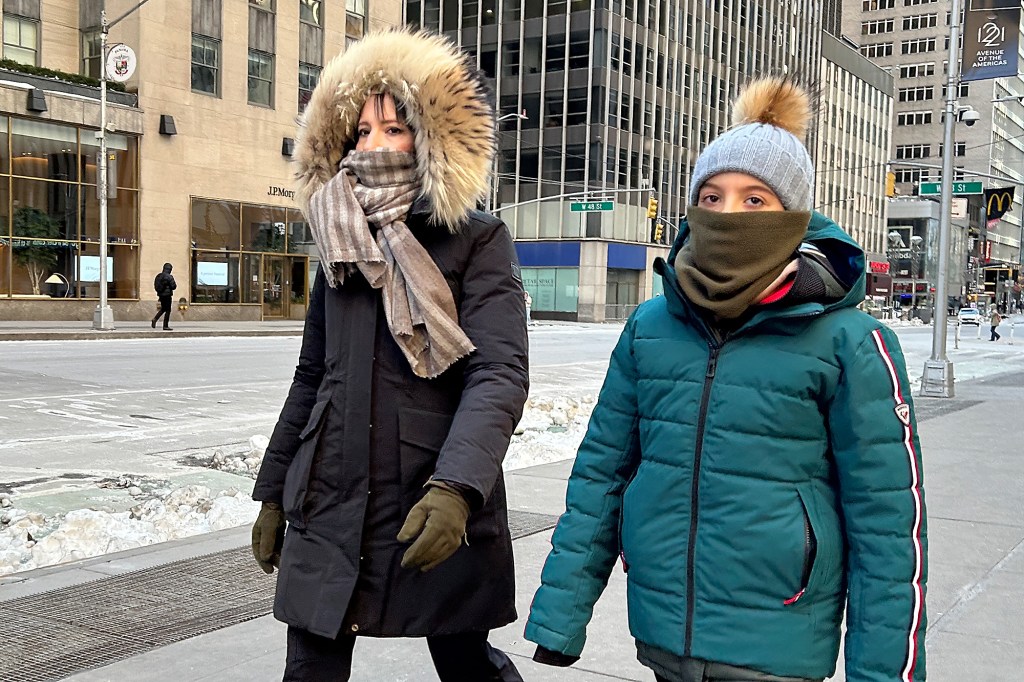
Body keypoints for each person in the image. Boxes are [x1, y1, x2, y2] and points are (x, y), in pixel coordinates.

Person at [525, 77, 927, 682]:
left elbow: (890, 531)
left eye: (754, 200)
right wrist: (561, 612)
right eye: (711, 197)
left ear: (793, 214)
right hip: (663, 637)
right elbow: (601, 474)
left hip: (779, 646)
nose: (728, 214)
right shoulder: (651, 326)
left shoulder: (852, 342)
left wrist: (885, 673)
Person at [250, 29, 529, 682]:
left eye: (395, 128)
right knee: (309, 665)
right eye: (362, 130)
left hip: (427, 492)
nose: (374, 145)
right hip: (330, 496)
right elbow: (313, 376)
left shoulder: (477, 239)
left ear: (431, 137)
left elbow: (497, 373)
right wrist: (273, 490)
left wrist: (458, 489)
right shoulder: (337, 237)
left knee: (465, 661)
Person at [151, 262, 176, 330]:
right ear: (170, 269)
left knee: (163, 308)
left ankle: (155, 319)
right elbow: (174, 286)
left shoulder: (158, 276)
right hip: (167, 295)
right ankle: (165, 325)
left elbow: (156, 286)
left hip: (161, 295)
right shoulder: (169, 277)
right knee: (168, 310)